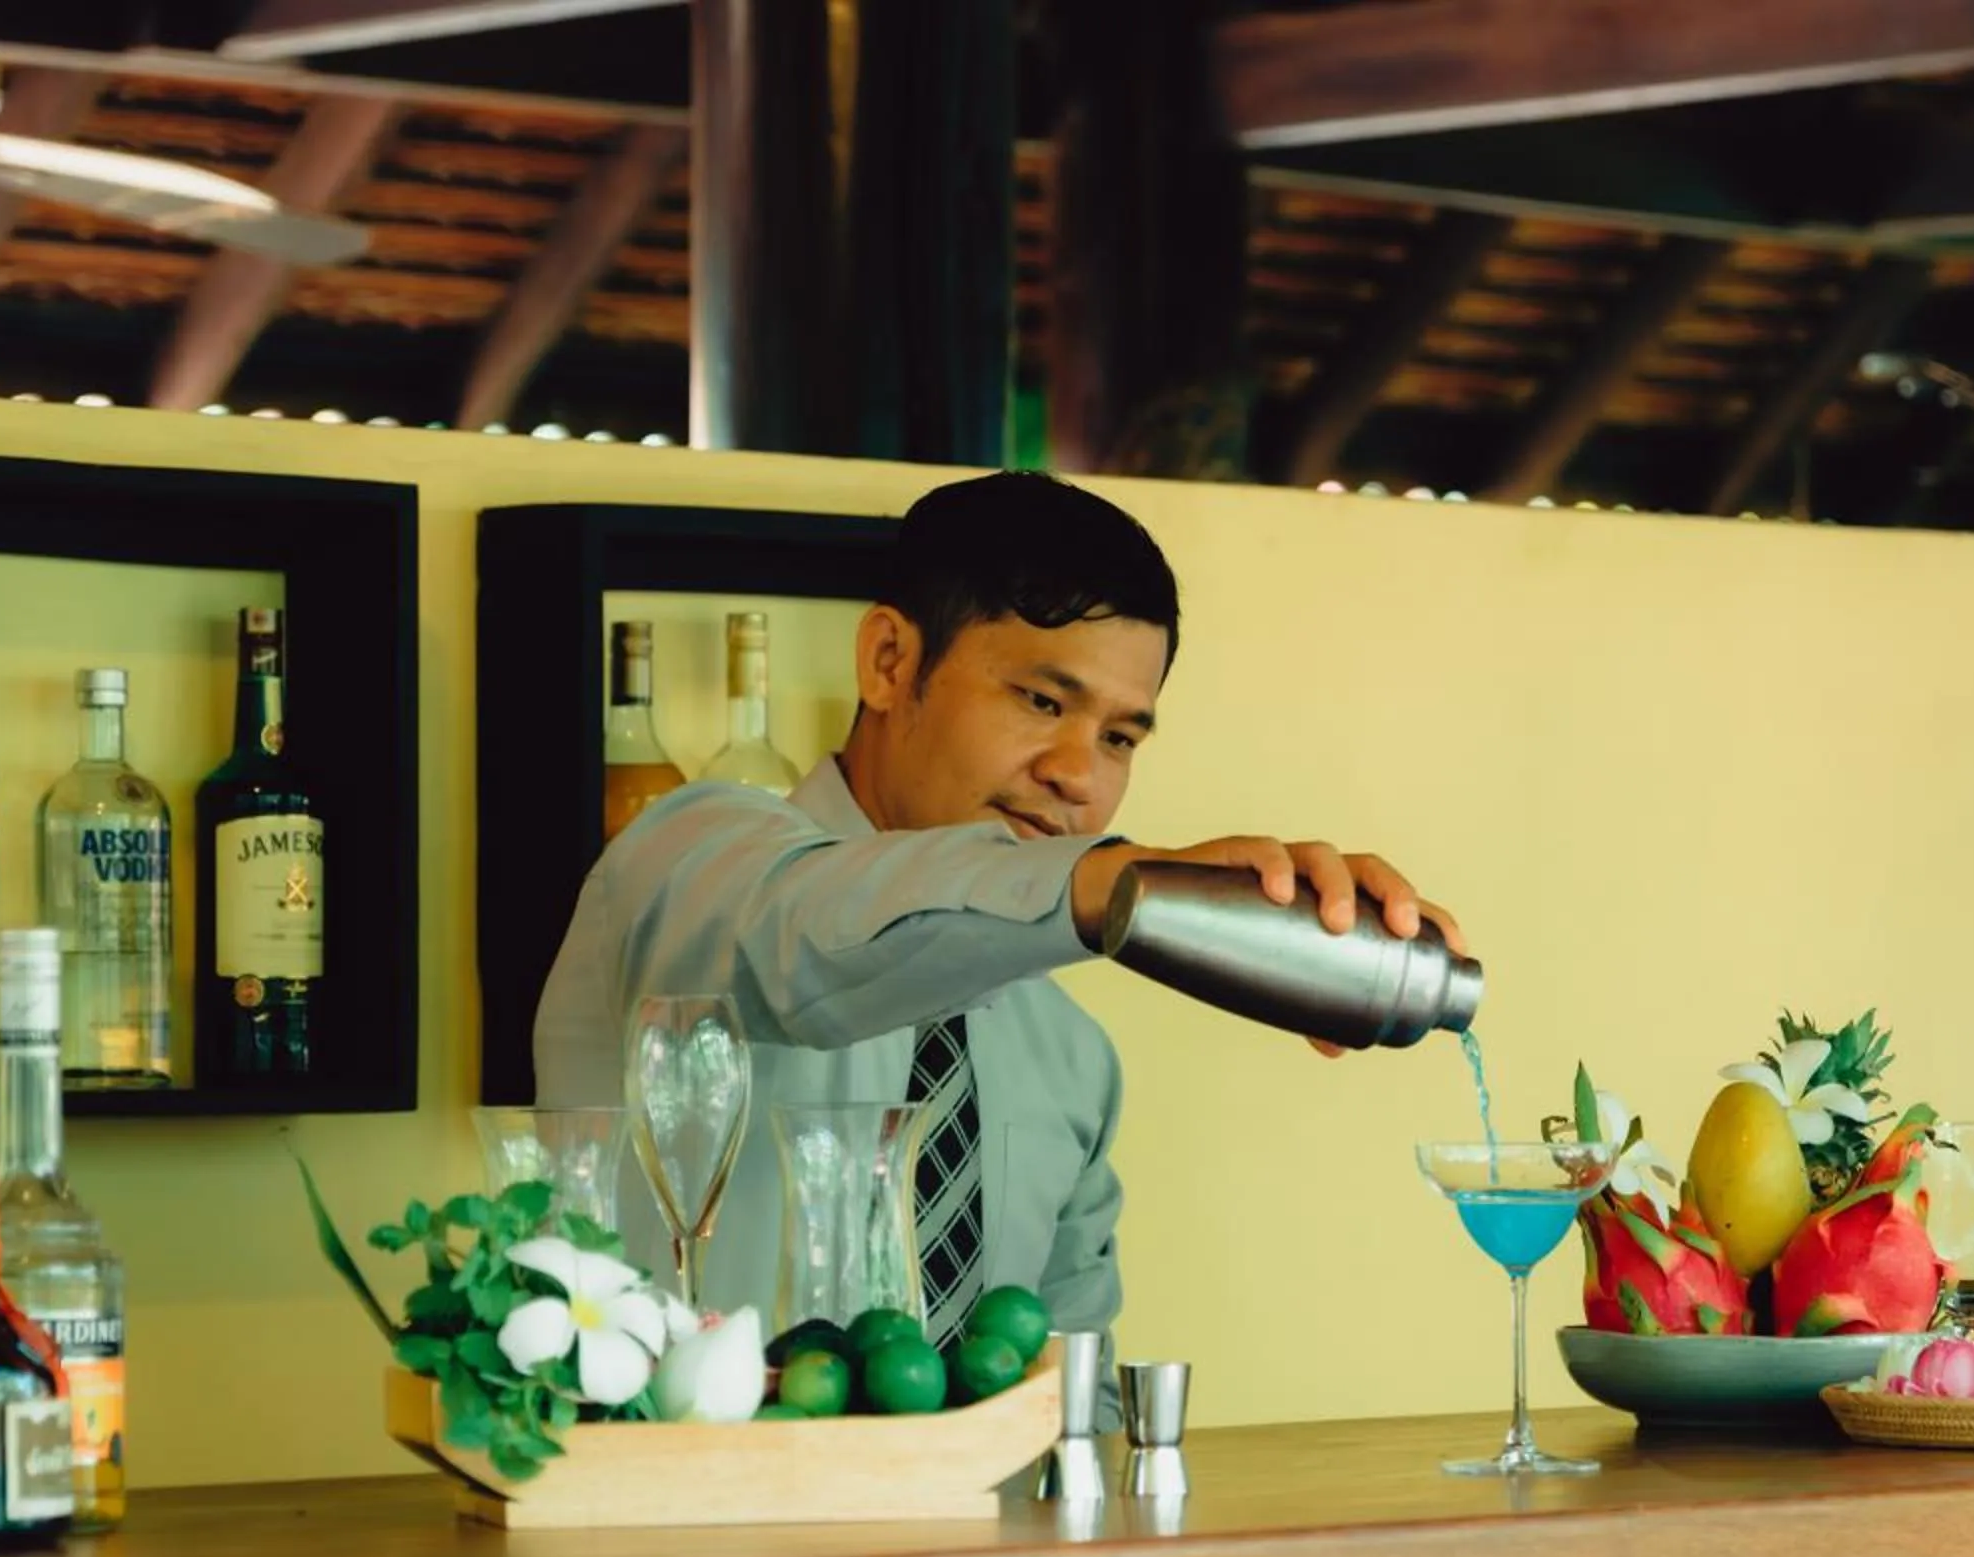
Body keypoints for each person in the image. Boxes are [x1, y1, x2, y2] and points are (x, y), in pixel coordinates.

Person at [532, 470, 1462, 1351]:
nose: (1078, 774)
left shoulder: (1071, 1060)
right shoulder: (688, 861)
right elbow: (804, 943)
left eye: (1119, 737)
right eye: (1040, 698)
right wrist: (1116, 881)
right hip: (669, 1519)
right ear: (890, 663)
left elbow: (1072, 1402)